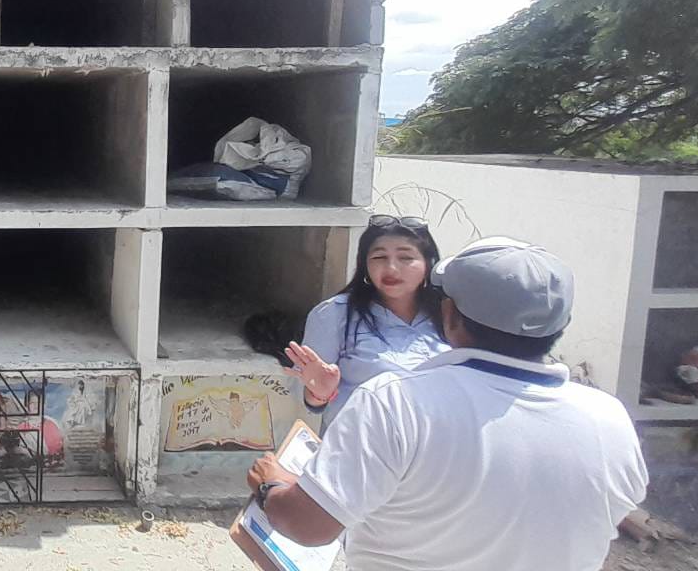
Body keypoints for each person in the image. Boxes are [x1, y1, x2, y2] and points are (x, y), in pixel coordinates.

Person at [246, 237, 648, 571]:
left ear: (450, 315)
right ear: (560, 326)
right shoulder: (609, 419)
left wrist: (272, 485)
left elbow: (309, 526)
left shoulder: (394, 401)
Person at [283, 214, 449, 420]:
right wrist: (319, 393)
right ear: (364, 264)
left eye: (406, 258)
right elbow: (305, 392)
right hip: (362, 437)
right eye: (379, 257)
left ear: (428, 264)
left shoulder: (450, 313)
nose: (391, 268)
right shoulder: (335, 313)